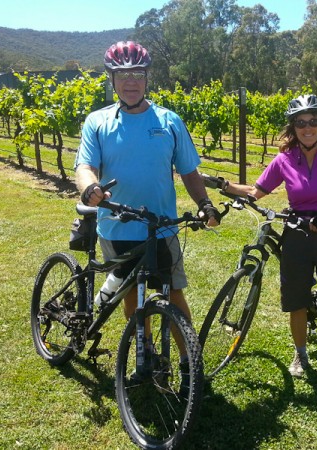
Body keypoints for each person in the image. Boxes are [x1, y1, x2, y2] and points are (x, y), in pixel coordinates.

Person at [74, 41, 219, 389]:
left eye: (137, 74)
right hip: (116, 225)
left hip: (161, 228)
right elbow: (85, 165)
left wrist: (205, 204)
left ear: (147, 77)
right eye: (122, 75)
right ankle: (145, 351)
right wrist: (89, 188)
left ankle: (189, 365)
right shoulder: (99, 121)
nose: (130, 82)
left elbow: (188, 171)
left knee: (173, 294)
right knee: (130, 293)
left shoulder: (169, 121)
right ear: (112, 79)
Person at [211, 94, 317, 378]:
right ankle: (301, 353)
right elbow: (257, 191)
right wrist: (225, 185)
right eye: (300, 123)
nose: (307, 128)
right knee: (297, 299)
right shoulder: (284, 159)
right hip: (296, 235)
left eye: (313, 121)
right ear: (293, 127)